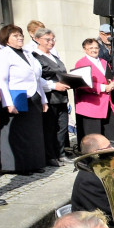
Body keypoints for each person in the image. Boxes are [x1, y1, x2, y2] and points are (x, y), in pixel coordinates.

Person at [0, 25, 48, 174]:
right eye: (15, 36)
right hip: (17, 95)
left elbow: (37, 77)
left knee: (33, 132)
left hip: (34, 95)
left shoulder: (27, 53)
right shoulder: (3, 54)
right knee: (19, 132)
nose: (20, 38)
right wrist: (8, 103)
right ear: (6, 39)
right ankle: (18, 166)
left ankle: (34, 162)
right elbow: (1, 80)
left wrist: (43, 99)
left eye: (20, 35)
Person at [30, 27, 70, 163]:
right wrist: (54, 86)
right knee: (50, 127)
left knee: (62, 126)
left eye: (53, 39)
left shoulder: (54, 56)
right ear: (37, 40)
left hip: (62, 96)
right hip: (48, 96)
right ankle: (51, 155)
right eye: (47, 39)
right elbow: (36, 78)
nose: (51, 42)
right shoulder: (34, 56)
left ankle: (61, 153)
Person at [73, 37, 114, 142]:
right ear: (85, 49)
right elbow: (83, 83)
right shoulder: (81, 63)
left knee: (111, 134)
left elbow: (112, 78)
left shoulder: (104, 62)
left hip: (107, 104)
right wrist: (103, 88)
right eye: (90, 48)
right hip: (91, 106)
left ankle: (110, 156)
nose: (94, 50)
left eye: (96, 47)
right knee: (93, 139)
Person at [70, 134, 114, 228]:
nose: (113, 149)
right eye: (109, 147)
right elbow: (108, 214)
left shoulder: (99, 170)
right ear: (96, 153)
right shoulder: (89, 180)